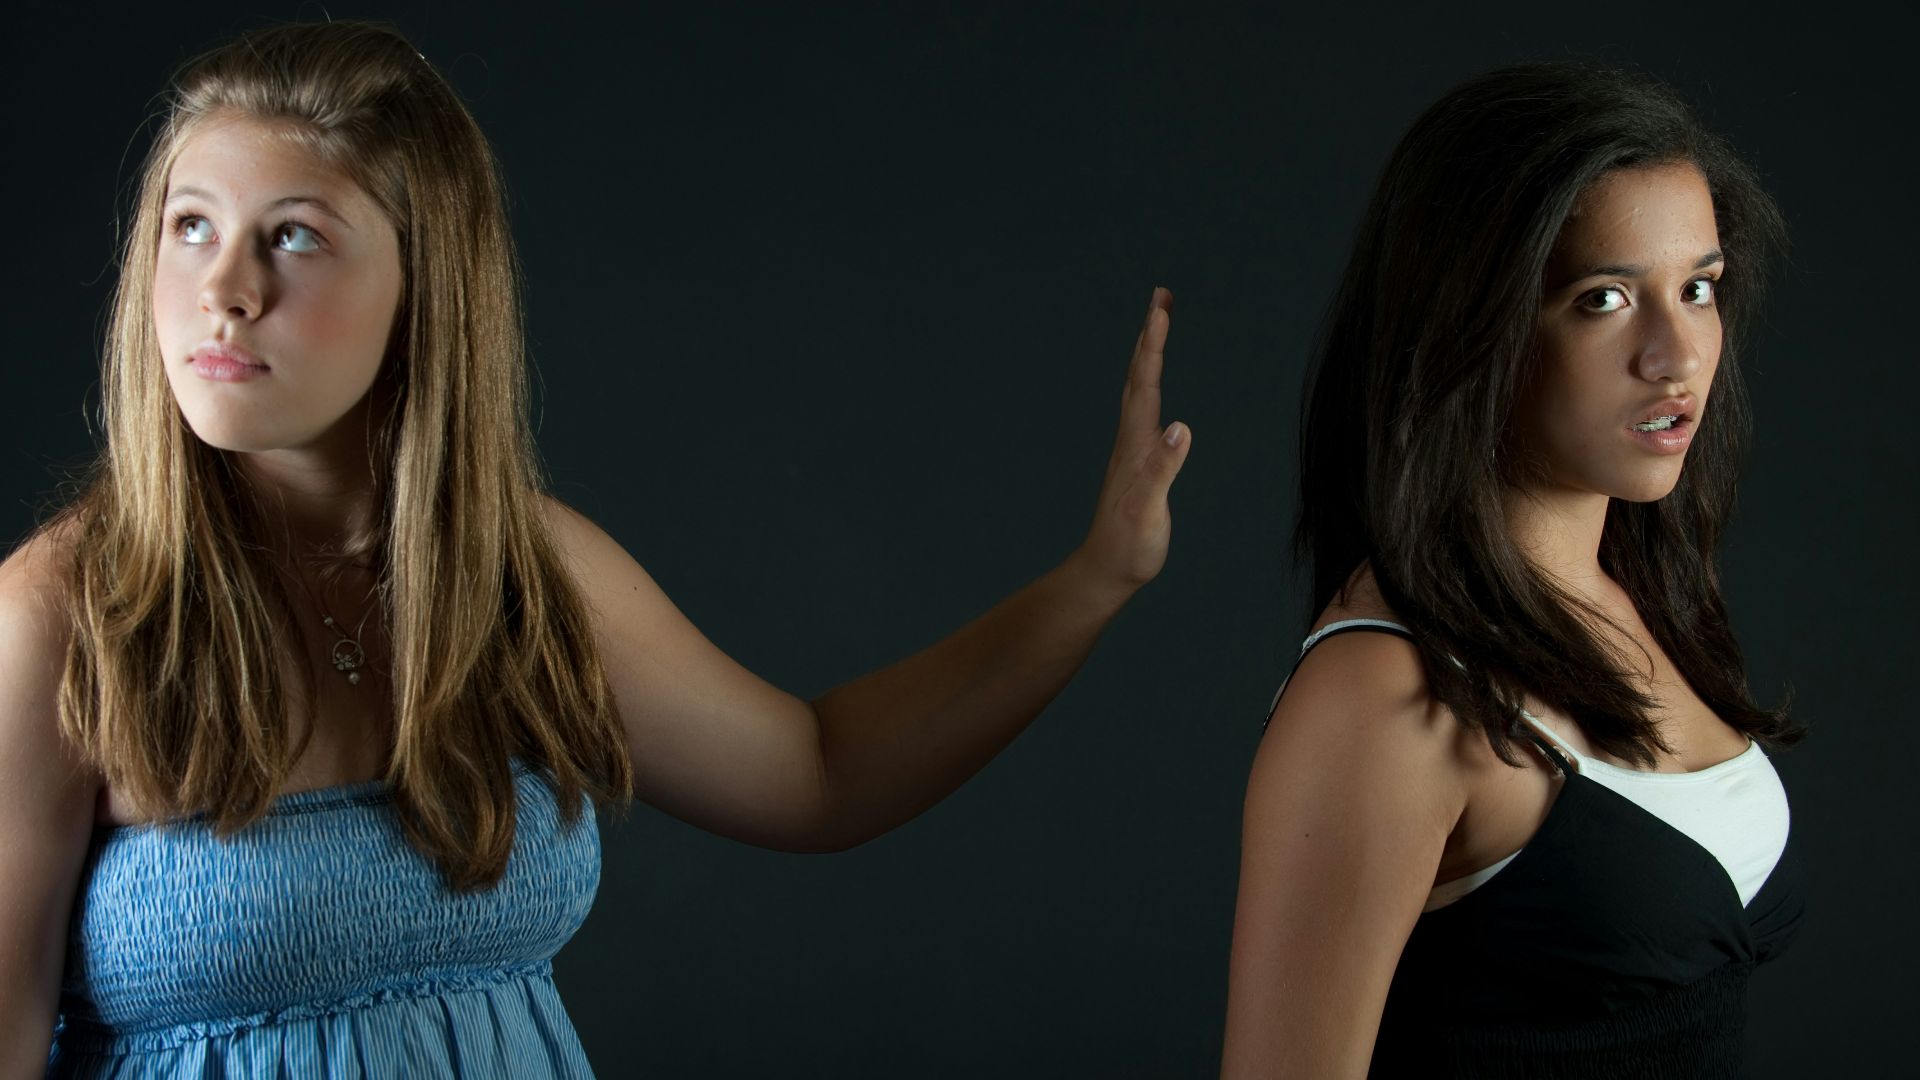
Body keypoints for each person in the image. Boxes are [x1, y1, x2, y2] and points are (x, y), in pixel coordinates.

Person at [0, 21, 1191, 1077]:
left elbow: (819, 774)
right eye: (191, 227)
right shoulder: (57, 619)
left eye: (295, 238)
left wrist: (1092, 583)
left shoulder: (522, 575)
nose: (224, 289)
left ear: (426, 284)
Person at [1222, 63, 1804, 1078]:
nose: (1676, 356)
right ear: (1471, 322)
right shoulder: (1387, 696)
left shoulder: (1635, 594)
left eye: (1698, 289)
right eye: (1603, 299)